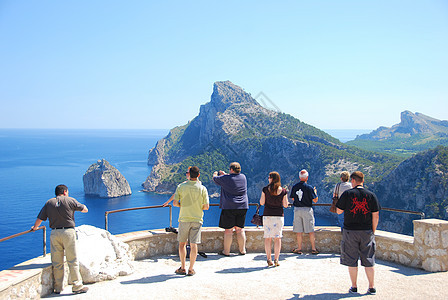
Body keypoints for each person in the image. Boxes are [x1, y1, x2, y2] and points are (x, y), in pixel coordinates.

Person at [31, 184, 89, 294]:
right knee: (72, 260)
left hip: (54, 233)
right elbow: (84, 210)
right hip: (68, 232)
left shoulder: (49, 203)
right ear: (65, 192)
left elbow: (40, 218)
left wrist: (35, 227)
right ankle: (77, 286)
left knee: (57, 262)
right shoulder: (70, 200)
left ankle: (58, 288)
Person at [336, 171, 380, 295]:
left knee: (351, 259)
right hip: (367, 231)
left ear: (353, 181)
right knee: (369, 259)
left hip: (350, 231)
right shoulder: (371, 195)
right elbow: (376, 215)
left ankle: (354, 286)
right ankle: (371, 287)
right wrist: (373, 230)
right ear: (363, 181)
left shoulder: (347, 194)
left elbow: (339, 211)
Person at [172, 166, 209, 276]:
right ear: (198, 175)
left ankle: (183, 267)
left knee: (182, 244)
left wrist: (182, 205)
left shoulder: (181, 187)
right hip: (197, 219)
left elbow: (174, 203)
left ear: (189, 175)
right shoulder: (202, 189)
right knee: (194, 245)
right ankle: (191, 269)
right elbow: (206, 207)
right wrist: (197, 207)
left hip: (184, 218)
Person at [213, 162, 249, 256]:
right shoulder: (243, 177)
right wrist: (225, 175)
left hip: (229, 206)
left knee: (228, 230)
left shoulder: (225, 179)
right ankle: (242, 250)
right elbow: (232, 178)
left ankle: (226, 252)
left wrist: (216, 173)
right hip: (242, 206)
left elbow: (215, 179)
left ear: (231, 169)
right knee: (240, 229)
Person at [259, 171, 289, 267]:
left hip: (267, 216)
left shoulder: (265, 189)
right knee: (277, 238)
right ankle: (276, 259)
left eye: (269, 177)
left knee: (267, 238)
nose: (268, 178)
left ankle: (268, 259)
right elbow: (285, 205)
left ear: (272, 179)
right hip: (278, 216)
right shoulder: (284, 191)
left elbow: (262, 203)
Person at [290, 169, 319, 255]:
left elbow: (292, 198)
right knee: (310, 230)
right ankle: (313, 249)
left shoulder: (295, 187)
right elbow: (315, 200)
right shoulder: (309, 188)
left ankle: (299, 248)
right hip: (307, 209)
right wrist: (315, 193)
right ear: (307, 177)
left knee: (299, 231)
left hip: (297, 209)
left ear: (299, 177)